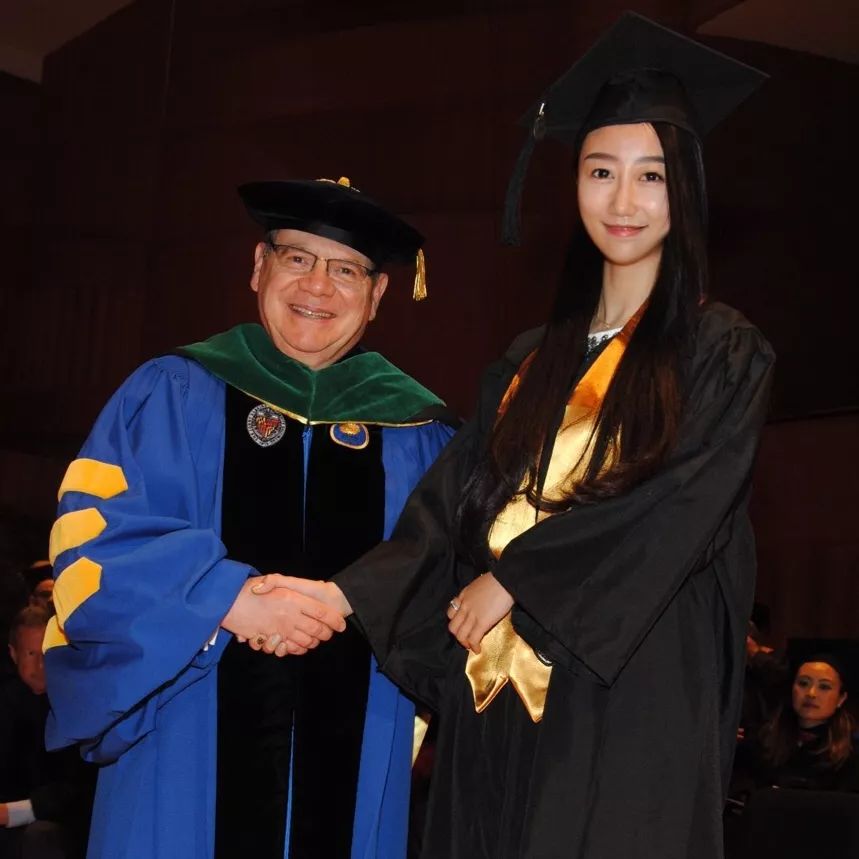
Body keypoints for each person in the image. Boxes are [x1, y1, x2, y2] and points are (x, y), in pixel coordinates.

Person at [254, 13, 775, 859]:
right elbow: (451, 501)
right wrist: (341, 596)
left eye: (650, 175)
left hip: (629, 682)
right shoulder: (530, 360)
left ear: (686, 187)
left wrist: (517, 578)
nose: (622, 200)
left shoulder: (719, 349)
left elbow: (678, 504)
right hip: (499, 688)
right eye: (600, 171)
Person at [43, 177, 457, 859]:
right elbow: (95, 538)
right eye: (297, 258)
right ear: (258, 267)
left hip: (359, 740)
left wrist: (348, 603)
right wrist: (225, 598)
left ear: (378, 294)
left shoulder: (422, 434)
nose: (317, 286)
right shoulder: (172, 393)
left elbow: (447, 574)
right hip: (186, 725)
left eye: (346, 269)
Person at [1, 606, 95, 859]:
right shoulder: (7, 702)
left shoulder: (79, 705)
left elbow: (80, 788)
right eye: (31, 653)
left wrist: (16, 811)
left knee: (41, 838)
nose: (40, 664)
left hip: (62, 828)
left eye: (46, 652)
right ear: (13, 654)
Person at [754, 655, 858, 792]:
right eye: (803, 683)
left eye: (824, 687)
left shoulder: (852, 752)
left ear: (841, 699)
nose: (811, 693)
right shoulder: (763, 739)